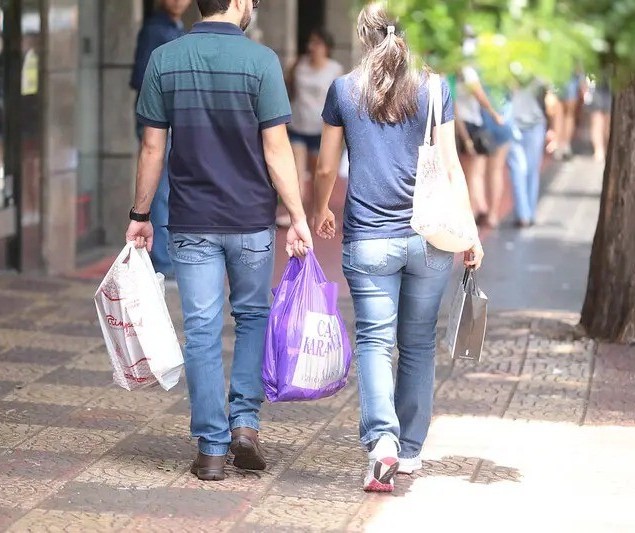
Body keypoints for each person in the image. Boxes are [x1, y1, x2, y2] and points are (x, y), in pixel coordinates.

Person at [126, 0, 313, 482]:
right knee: (252, 317)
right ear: (237, 3)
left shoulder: (165, 58)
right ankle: (245, 425)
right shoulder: (262, 61)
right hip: (251, 220)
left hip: (191, 221)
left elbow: (152, 146)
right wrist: (297, 216)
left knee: (203, 329)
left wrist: (140, 213)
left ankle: (211, 448)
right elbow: (276, 148)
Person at [313, 2, 484, 492]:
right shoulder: (435, 88)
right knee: (417, 343)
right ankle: (409, 451)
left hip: (368, 239)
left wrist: (320, 208)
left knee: (373, 340)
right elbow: (453, 167)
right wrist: (469, 232)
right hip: (428, 238)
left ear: (363, 37)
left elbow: (326, 167)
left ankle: (382, 444)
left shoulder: (343, 89)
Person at [130, 0, 191, 277]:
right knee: (159, 190)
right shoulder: (155, 29)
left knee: (166, 190)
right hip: (157, 121)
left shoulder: (177, 27)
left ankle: (165, 259)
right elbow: (140, 77)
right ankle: (162, 262)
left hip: (171, 120)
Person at [277, 28, 343, 227]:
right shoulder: (297, 64)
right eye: (311, 43)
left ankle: (318, 212)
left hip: (321, 129)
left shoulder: (335, 69)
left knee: (317, 174)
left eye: (317, 43)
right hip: (297, 125)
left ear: (327, 47)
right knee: (296, 172)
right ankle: (295, 215)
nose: (312, 47)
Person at [455, 58, 506, 227]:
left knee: (469, 173)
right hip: (472, 124)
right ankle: (477, 209)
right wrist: (494, 113)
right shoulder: (468, 71)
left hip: (460, 125)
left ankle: (476, 209)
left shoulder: (449, 74)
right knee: (474, 173)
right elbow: (479, 94)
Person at [506, 77, 548, 227]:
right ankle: (526, 214)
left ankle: (526, 213)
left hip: (531, 123)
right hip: (516, 123)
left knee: (526, 169)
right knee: (522, 169)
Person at [586, 68, 612, 163]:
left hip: (609, 82)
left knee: (606, 120)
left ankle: (602, 149)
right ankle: (600, 149)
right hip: (599, 81)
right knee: (599, 118)